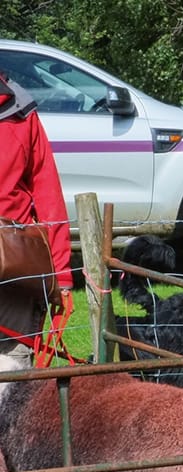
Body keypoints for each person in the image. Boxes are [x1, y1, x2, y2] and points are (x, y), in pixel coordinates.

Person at [0, 68, 72, 366]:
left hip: (16, 264)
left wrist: (62, 275)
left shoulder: (21, 112)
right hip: (17, 258)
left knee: (14, 372)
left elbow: (47, 194)